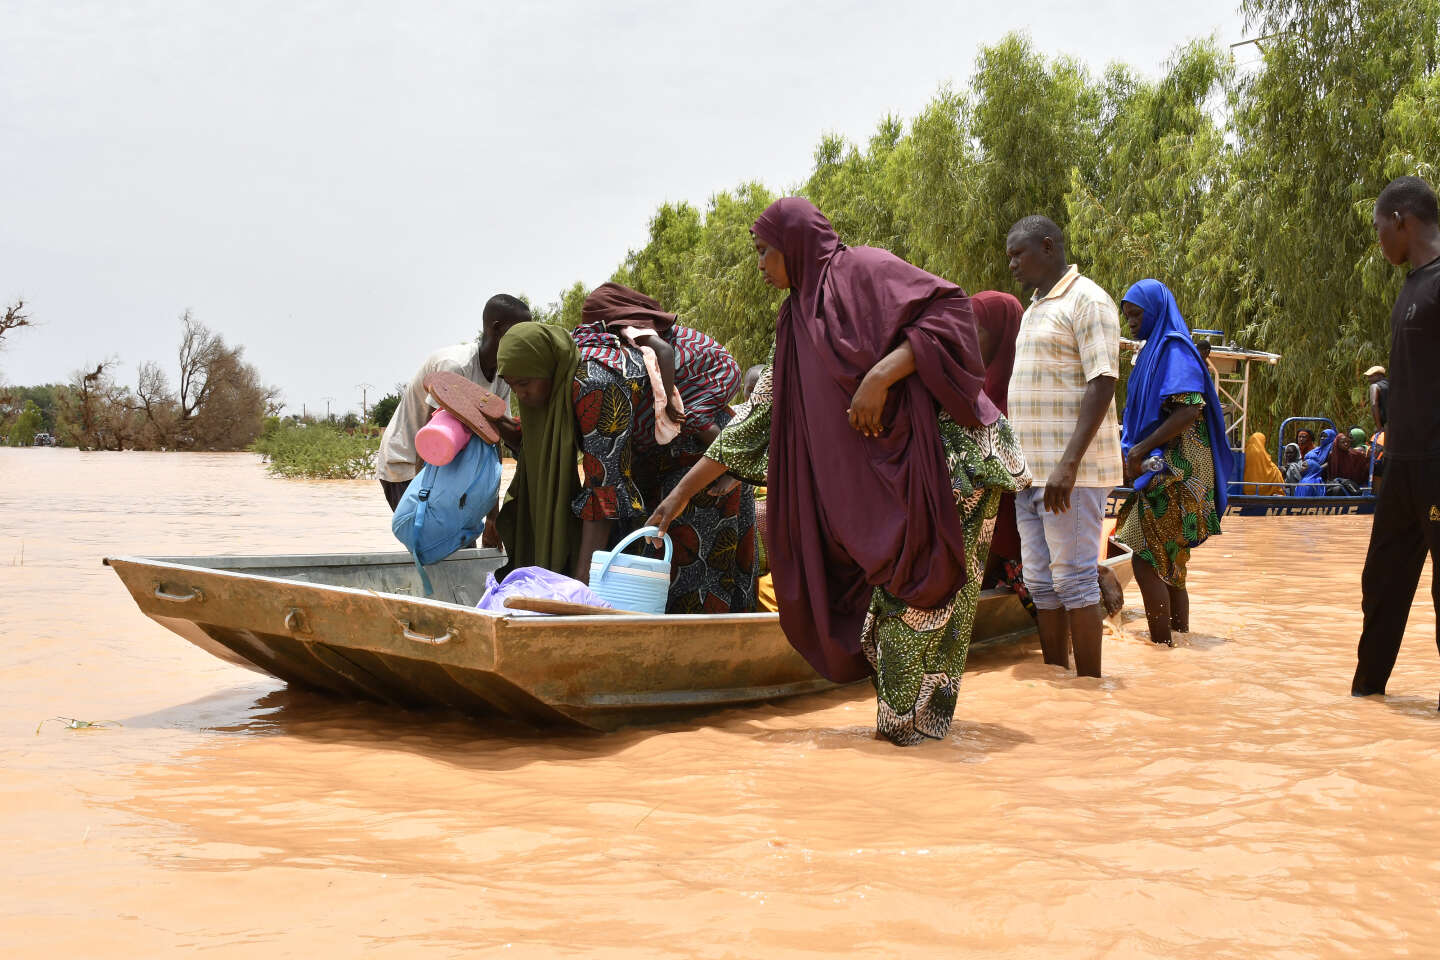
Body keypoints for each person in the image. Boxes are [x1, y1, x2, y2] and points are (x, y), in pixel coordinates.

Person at [648, 197, 1028, 746]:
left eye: (763, 252)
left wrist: (881, 375)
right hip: (886, 484)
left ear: (794, 244)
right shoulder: (795, 322)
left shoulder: (865, 269)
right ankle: (917, 744)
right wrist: (679, 496)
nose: (759, 266)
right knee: (910, 609)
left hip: (953, 465)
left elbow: (949, 313)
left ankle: (906, 741)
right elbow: (756, 419)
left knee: (928, 605)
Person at [496, 292, 759, 614]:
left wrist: (582, 583)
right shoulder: (564, 376)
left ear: (549, 368)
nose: (520, 394)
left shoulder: (594, 383)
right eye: (512, 386)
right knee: (637, 568)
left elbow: (604, 487)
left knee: (684, 574)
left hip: (697, 459)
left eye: (524, 384)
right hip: (653, 460)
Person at [1005, 215, 1123, 678]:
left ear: (1049, 247)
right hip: (1029, 473)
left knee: (1074, 580)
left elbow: (1103, 380)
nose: (1012, 263)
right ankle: (1057, 681)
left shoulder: (1088, 300)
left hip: (1070, 475)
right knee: (1040, 583)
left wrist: (1068, 465)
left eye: (1020, 253)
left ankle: (1090, 687)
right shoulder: (1034, 307)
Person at [1352, 175, 1440, 700]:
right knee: (1380, 586)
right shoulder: (1411, 287)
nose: (1380, 238)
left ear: (1402, 220)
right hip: (1400, 467)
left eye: (1381, 227)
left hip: (1437, 463)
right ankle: (1365, 702)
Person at [1114, 280, 1233, 647]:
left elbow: (1190, 407)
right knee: (1172, 567)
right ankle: (1178, 647)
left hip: (1177, 476)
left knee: (1144, 559)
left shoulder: (1173, 350)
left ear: (1156, 310)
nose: (1131, 322)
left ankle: (1162, 648)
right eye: (1128, 316)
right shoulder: (1157, 351)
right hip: (1171, 473)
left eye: (1137, 314)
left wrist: (1139, 449)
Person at [376, 295, 531, 527]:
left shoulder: (501, 375)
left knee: (457, 542)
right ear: (496, 329)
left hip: (448, 470)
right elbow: (431, 443)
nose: (522, 341)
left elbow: (493, 440)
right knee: (430, 539)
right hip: (406, 465)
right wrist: (424, 503)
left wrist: (492, 517)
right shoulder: (455, 366)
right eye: (517, 333)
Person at [1294, 428, 1336, 497]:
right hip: (1309, 474)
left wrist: (1316, 468)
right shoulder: (1317, 450)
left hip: (1323, 477)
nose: (1322, 438)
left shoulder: (1332, 451)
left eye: (1325, 436)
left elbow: (1330, 463)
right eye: (1321, 436)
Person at [1242, 431, 1285, 496]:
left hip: (1247, 490)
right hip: (1266, 490)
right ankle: (1276, 493)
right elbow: (1269, 468)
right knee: (1276, 471)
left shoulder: (1244, 452)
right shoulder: (1263, 454)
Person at [1366, 365, 1389, 433]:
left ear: (1379, 376)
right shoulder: (1392, 384)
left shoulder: (1374, 386)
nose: (1369, 379)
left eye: (1371, 376)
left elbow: (1374, 405)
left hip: (1386, 425)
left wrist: (1379, 428)